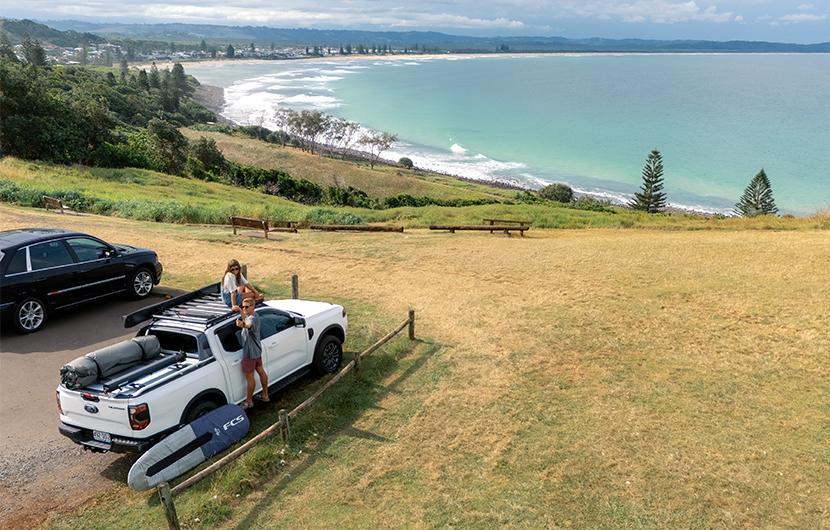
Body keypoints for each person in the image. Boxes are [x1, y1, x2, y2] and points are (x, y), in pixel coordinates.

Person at [236, 300, 269, 409]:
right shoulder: (254, 315)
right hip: (257, 351)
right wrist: (240, 311)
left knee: (250, 378)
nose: (244, 309)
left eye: (246, 307)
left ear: (253, 306)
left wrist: (242, 325)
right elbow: (246, 318)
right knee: (261, 371)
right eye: (243, 307)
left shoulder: (252, 319)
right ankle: (265, 395)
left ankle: (249, 401)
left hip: (249, 354)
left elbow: (248, 324)